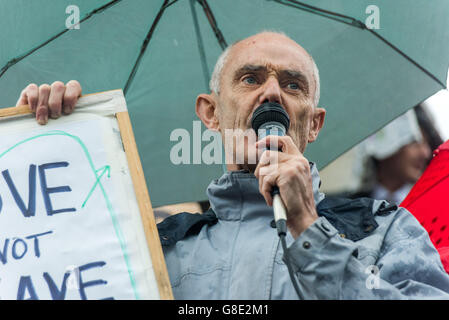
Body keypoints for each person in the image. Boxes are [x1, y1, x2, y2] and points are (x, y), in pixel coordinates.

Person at [17, 31, 449, 299]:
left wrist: (308, 227)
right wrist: (38, 151)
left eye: (293, 84)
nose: (272, 93)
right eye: (250, 79)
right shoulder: (157, 248)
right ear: (211, 113)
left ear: (314, 124)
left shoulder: (384, 228)